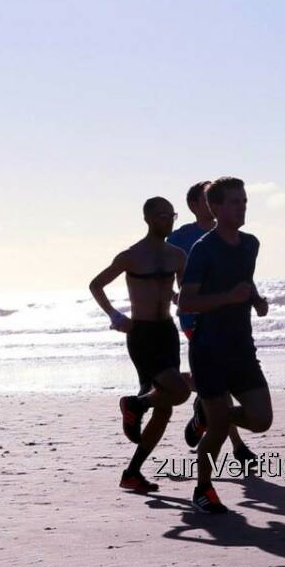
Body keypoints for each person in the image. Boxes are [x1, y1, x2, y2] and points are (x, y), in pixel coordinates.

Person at [177, 177, 273, 514]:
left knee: (261, 419)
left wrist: (256, 299)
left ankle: (207, 413)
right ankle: (203, 490)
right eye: (234, 202)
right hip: (208, 349)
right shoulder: (203, 248)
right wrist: (226, 299)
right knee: (218, 431)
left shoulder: (251, 244)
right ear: (214, 208)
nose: (242, 206)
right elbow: (187, 302)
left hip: (242, 347)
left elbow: (243, 281)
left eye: (244, 201)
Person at [89, 196, 193, 492]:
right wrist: (114, 314)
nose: (169, 220)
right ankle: (134, 404)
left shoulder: (177, 255)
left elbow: (184, 292)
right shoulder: (131, 256)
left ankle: (132, 472)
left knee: (166, 408)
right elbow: (96, 284)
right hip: (142, 334)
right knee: (180, 391)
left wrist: (182, 300)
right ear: (148, 219)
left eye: (171, 215)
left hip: (167, 332)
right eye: (162, 216)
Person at [166, 181, 257, 462]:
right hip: (198, 317)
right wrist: (173, 296)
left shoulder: (235, 236)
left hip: (232, 320)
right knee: (220, 379)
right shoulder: (182, 238)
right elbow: (164, 273)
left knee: (220, 380)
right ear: (195, 206)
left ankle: (202, 412)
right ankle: (237, 444)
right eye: (205, 200)